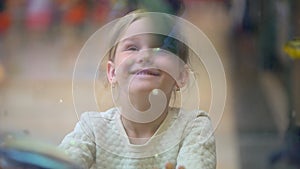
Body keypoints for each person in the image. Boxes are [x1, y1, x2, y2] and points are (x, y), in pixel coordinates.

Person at [59, 10, 216, 169]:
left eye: (161, 49)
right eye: (132, 47)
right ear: (112, 72)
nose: (145, 55)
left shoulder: (194, 127)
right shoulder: (92, 128)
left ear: (181, 75)